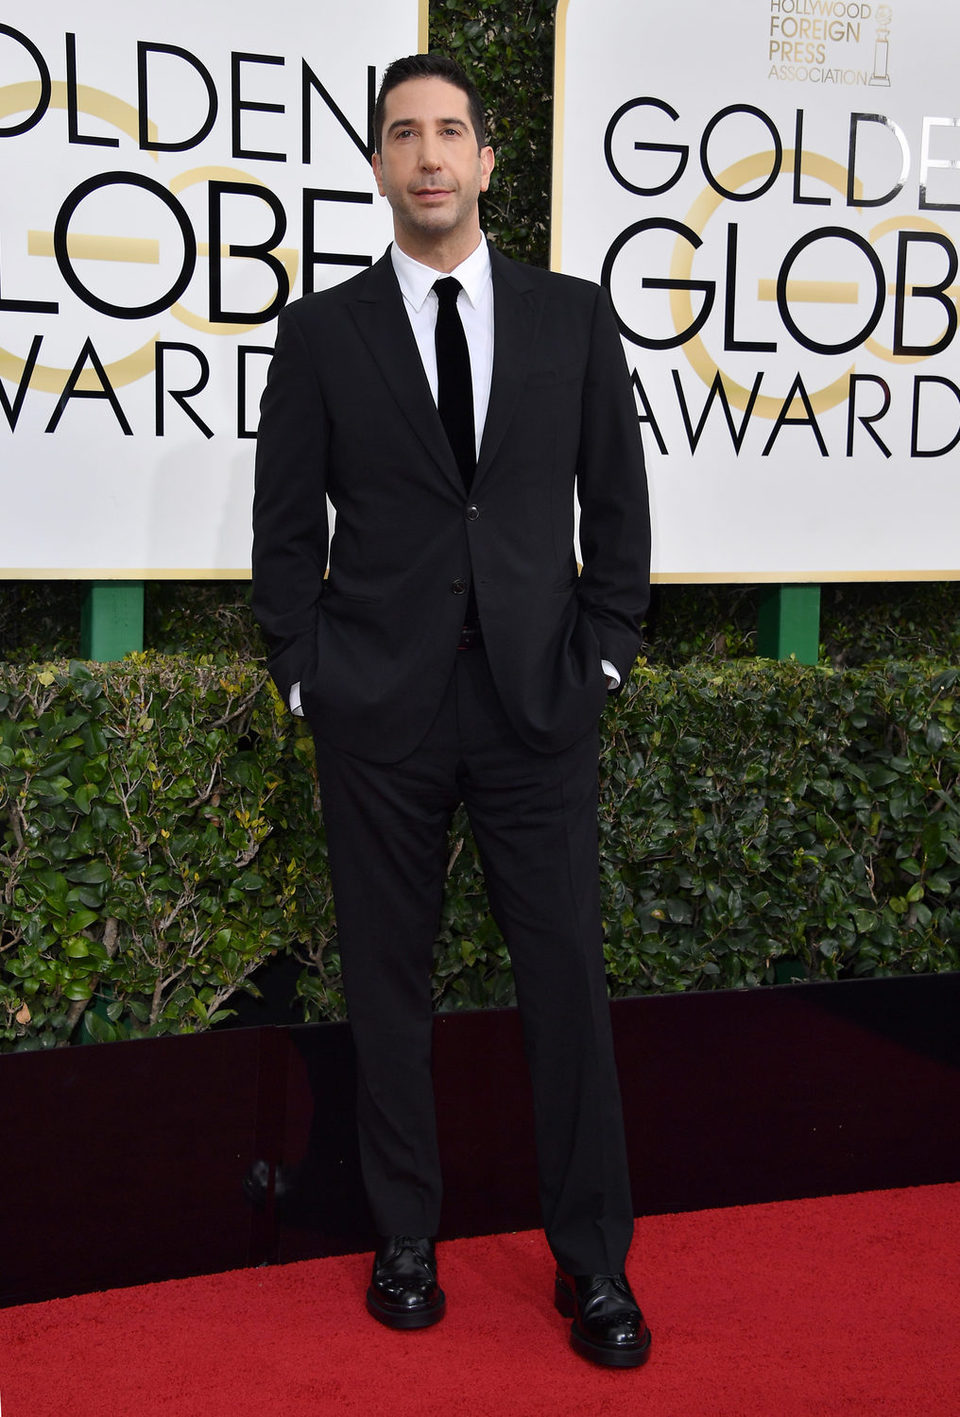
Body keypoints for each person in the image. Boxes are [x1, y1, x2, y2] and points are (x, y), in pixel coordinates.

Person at [251, 52, 652, 1369]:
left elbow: (621, 508)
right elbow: (281, 528)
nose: (429, 155)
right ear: (378, 165)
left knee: (566, 987)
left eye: (452, 133)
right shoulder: (321, 334)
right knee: (389, 984)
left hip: (539, 703)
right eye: (403, 135)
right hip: (379, 706)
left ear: (488, 161)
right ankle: (404, 1236)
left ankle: (593, 1261)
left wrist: (603, 655)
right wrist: (306, 669)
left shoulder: (574, 319)